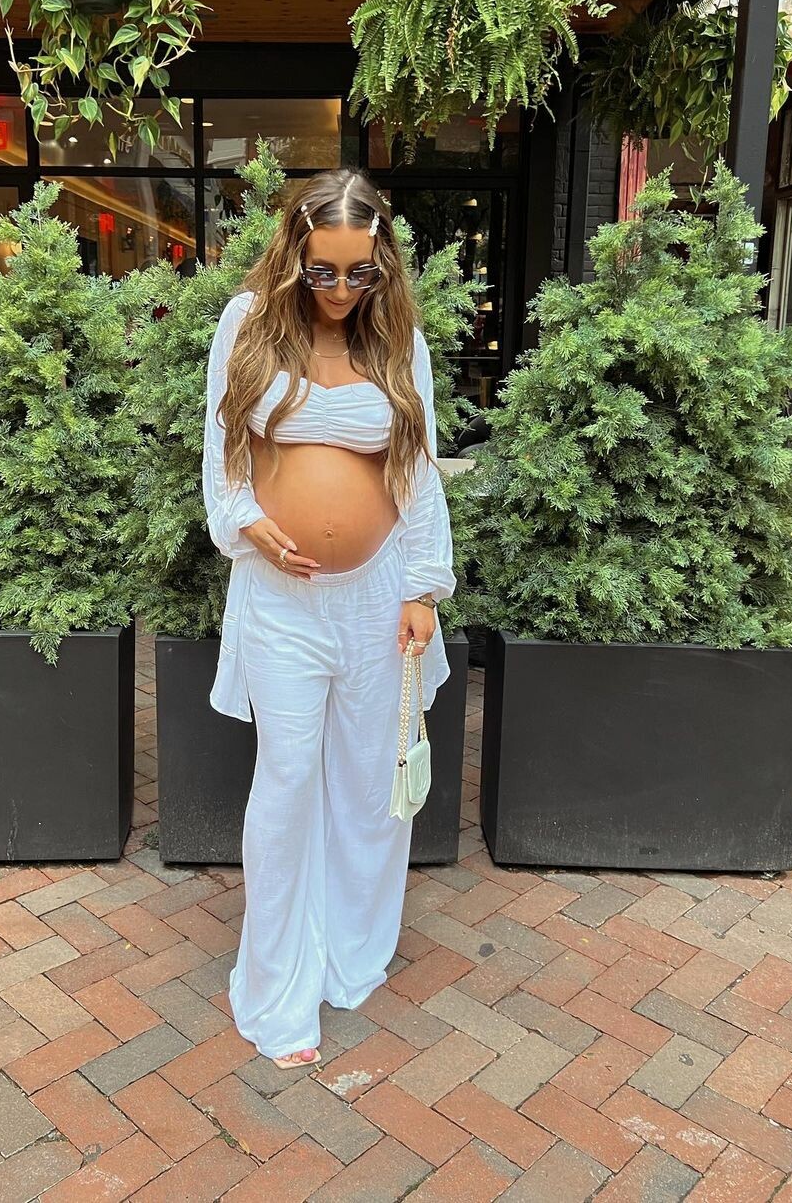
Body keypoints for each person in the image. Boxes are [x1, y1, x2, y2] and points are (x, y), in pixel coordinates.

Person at [201, 167, 456, 1070]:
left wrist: (423, 588)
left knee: (366, 782)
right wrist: (248, 523)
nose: (342, 290)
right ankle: (277, 988)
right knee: (285, 782)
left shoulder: (398, 340)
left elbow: (416, 469)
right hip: (280, 604)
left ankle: (351, 953)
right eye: (323, 271)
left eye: (360, 272)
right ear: (292, 257)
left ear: (383, 263)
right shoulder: (247, 325)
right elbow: (223, 455)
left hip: (377, 599)